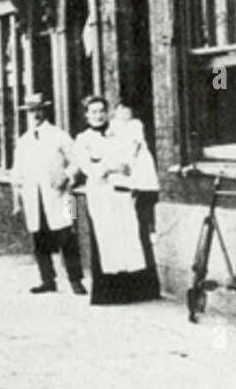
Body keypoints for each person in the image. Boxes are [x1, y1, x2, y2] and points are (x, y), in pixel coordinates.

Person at [74, 96, 154, 304]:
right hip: (100, 195)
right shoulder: (83, 139)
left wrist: (110, 163)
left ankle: (132, 290)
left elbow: (130, 159)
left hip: (121, 191)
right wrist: (110, 165)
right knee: (106, 241)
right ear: (86, 115)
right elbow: (89, 169)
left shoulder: (118, 133)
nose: (98, 115)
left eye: (101, 111)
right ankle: (108, 293)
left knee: (127, 239)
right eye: (93, 112)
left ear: (107, 112)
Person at [11, 93, 86, 295]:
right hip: (34, 197)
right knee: (39, 239)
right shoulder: (24, 141)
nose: (35, 115)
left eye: (38, 110)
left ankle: (76, 280)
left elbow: (78, 161)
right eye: (30, 111)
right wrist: (17, 202)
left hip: (65, 195)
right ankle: (47, 280)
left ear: (45, 111)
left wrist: (67, 175)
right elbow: (17, 173)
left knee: (69, 236)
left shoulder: (59, 135)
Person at [110, 105, 162, 301]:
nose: (124, 113)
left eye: (128, 110)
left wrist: (127, 166)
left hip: (138, 185)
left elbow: (132, 149)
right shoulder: (110, 130)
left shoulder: (134, 128)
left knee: (140, 233)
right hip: (116, 188)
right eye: (120, 110)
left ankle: (147, 286)